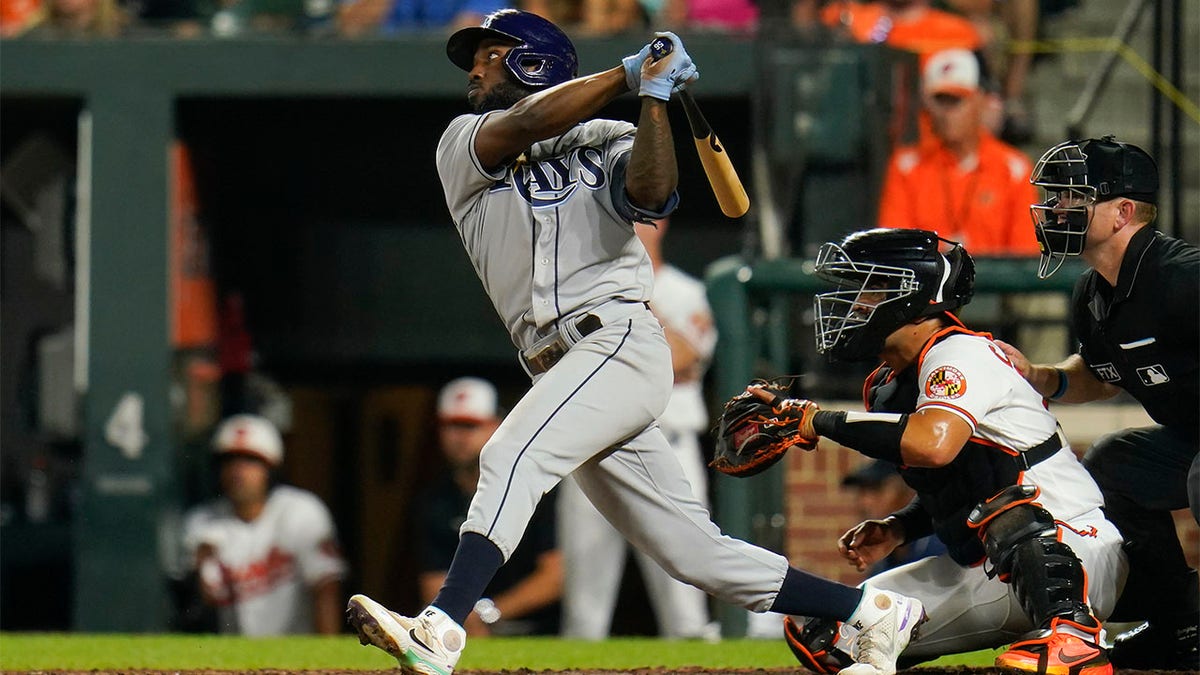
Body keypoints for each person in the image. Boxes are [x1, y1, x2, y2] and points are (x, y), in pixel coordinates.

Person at [345, 10, 929, 675]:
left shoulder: (610, 134)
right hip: (559, 366)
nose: (474, 68)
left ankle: (443, 626)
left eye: (489, 54)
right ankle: (869, 611)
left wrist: (652, 101)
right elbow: (531, 123)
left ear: (532, 62)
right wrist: (631, 73)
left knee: (510, 453)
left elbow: (651, 191)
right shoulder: (464, 139)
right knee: (692, 550)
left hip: (616, 339)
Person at [761, 228, 1124, 674]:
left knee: (1007, 507)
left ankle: (1074, 638)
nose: (855, 303)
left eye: (871, 287)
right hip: (992, 568)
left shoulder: (961, 353)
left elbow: (932, 444)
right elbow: (958, 478)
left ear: (915, 294)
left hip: (1075, 553)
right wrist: (900, 527)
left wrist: (818, 420)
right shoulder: (888, 384)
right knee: (827, 631)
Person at [996, 136, 1199, 670]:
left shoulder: (1183, 277)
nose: (1054, 209)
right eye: (1054, 196)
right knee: (1115, 463)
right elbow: (1102, 373)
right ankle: (1181, 625)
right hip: (1190, 438)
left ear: (1122, 212)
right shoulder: (1092, 292)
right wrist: (1040, 375)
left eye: (1071, 197)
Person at [556, 217, 717, 640]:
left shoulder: (687, 292)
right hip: (594, 448)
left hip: (669, 445)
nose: (629, 225)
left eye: (641, 216)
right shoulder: (585, 290)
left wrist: (634, 303)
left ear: (662, 222)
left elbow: (681, 358)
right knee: (584, 611)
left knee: (685, 601)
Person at [181, 414, 347, 635]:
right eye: (230, 460)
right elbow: (201, 604)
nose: (238, 471)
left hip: (298, 654)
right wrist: (201, 571)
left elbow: (326, 588)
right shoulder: (203, 522)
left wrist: (329, 657)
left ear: (270, 469)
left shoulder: (301, 512)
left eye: (250, 461)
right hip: (233, 658)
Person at [422, 377, 563, 636]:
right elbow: (433, 579)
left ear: (497, 425)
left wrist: (490, 614)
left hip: (535, 629)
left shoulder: (535, 487)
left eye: (470, 425)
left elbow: (556, 577)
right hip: (464, 629)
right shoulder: (437, 499)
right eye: (451, 425)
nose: (459, 437)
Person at [877, 48, 1039, 256]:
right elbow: (895, 251)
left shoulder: (1014, 169)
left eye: (956, 101)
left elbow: (1024, 257)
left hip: (991, 288)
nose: (947, 113)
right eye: (940, 101)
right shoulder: (906, 166)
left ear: (980, 101)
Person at [839, 459, 945, 577]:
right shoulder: (881, 559)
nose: (865, 502)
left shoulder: (945, 542)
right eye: (861, 493)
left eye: (875, 489)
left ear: (907, 488)